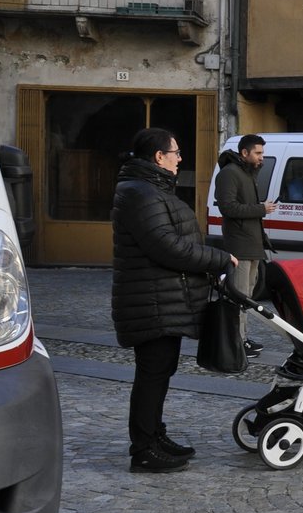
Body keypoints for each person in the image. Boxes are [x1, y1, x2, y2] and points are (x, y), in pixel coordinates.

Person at [112, 128, 237, 472]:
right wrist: (217, 259)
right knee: (152, 375)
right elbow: (166, 246)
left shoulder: (148, 189)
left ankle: (154, 435)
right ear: (158, 157)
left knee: (159, 372)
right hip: (151, 302)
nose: (180, 158)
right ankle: (144, 450)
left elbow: (173, 240)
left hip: (160, 298)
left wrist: (212, 254)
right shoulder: (141, 193)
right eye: (176, 152)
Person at [214, 133, 275, 358]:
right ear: (245, 153)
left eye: (262, 153)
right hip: (239, 246)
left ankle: (242, 339)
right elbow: (228, 207)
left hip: (252, 244)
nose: (262, 158)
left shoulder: (246, 173)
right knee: (238, 296)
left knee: (246, 298)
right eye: (258, 153)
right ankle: (235, 343)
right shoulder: (229, 174)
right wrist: (261, 209)